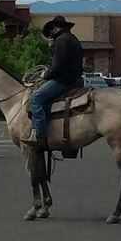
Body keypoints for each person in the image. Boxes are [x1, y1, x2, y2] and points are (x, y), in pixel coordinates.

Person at [30, 16, 85, 150]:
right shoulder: (73, 39)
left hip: (64, 80)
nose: (51, 36)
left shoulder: (61, 40)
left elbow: (59, 65)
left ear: (55, 28)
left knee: (35, 99)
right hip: (76, 79)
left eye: (50, 33)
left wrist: (46, 74)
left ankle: (40, 136)